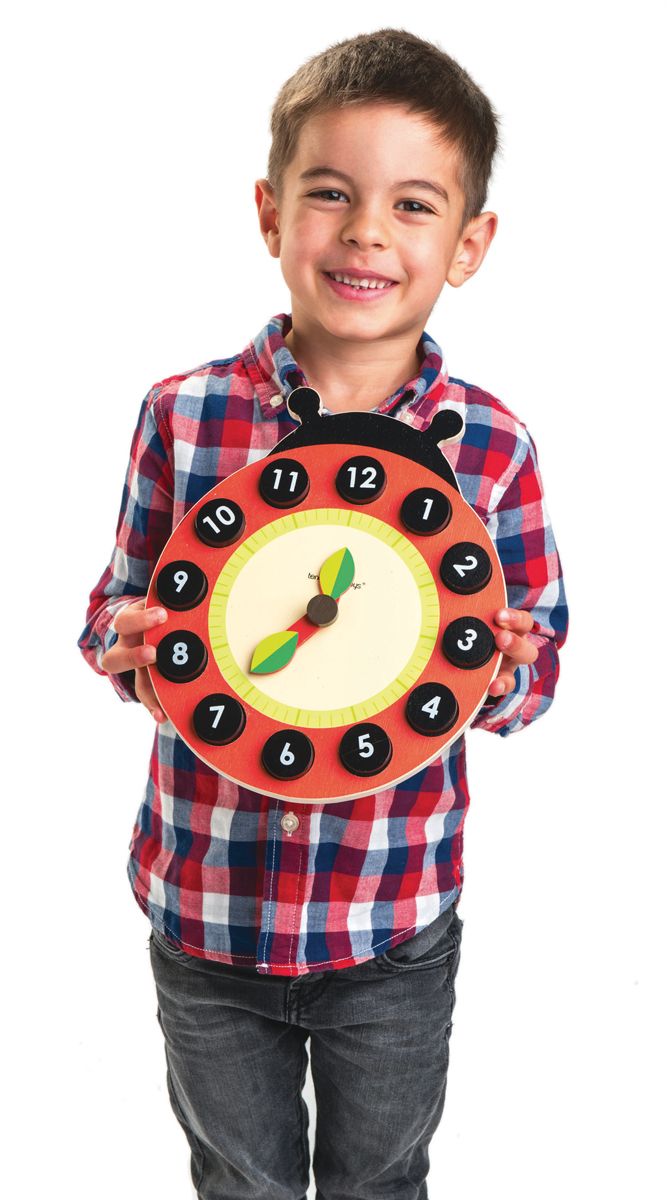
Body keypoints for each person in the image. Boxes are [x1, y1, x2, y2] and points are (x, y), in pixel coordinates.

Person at [78, 27, 568, 1200]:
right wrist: (130, 645)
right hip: (205, 907)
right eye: (331, 194)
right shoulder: (185, 415)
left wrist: (502, 664)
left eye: (412, 205)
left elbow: (537, 670)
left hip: (390, 922)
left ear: (468, 245)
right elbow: (110, 610)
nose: (365, 233)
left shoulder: (493, 448)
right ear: (271, 212)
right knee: (238, 1181)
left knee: (380, 1181)